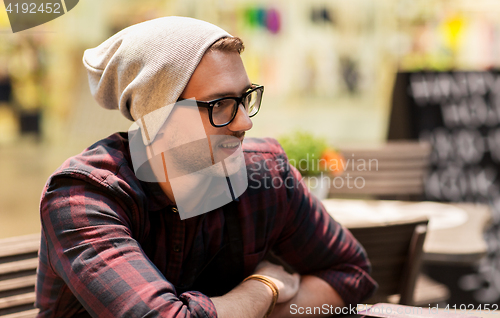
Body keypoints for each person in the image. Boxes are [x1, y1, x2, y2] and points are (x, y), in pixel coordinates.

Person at [35, 17, 376, 318]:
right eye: (221, 104)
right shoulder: (84, 197)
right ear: (156, 117)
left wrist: (249, 313)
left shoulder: (265, 175)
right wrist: (262, 288)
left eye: (244, 99)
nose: (244, 123)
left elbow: (351, 273)